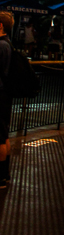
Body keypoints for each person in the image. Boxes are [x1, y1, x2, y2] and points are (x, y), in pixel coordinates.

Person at [0, 11, 14, 189]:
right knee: (4, 135)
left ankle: (1, 177)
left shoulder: (1, 46)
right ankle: (5, 174)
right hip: (5, 95)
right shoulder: (8, 44)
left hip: (0, 94)